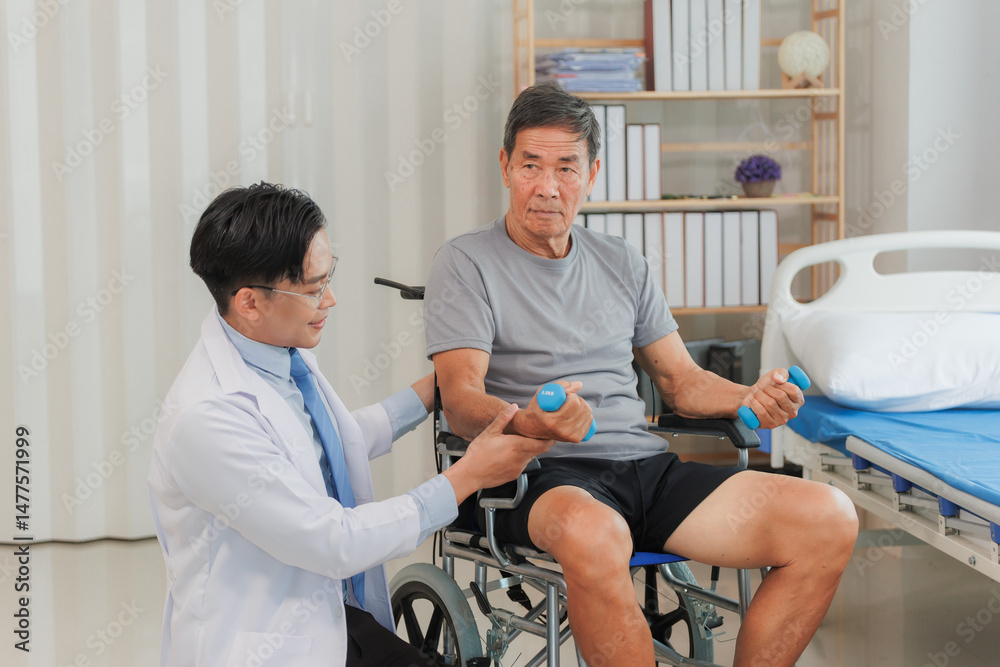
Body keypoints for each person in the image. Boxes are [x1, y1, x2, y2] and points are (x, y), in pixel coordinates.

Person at [424, 81, 859, 666]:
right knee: (595, 532)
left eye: (566, 168)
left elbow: (682, 381)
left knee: (828, 517)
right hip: (532, 479)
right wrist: (528, 422)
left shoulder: (621, 260)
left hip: (643, 472)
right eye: (530, 165)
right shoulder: (465, 262)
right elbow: (460, 399)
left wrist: (750, 395)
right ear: (505, 166)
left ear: (592, 175)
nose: (547, 186)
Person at [148, 182, 554, 667]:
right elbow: (333, 541)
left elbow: (324, 445)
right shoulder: (207, 417)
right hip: (270, 644)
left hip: (334, 616)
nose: (331, 299)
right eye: (314, 289)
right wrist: (468, 476)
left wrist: (434, 389)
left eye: (328, 278)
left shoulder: (276, 352)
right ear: (249, 303)